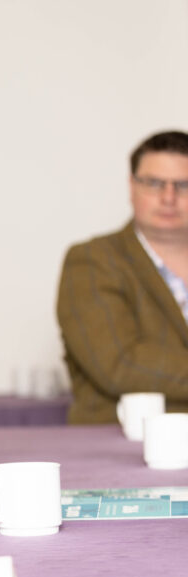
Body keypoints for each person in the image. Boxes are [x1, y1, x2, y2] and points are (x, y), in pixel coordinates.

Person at [58, 130, 188, 424]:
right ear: (132, 186)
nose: (169, 197)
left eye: (183, 185)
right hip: (120, 448)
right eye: (154, 183)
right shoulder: (92, 260)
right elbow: (119, 364)